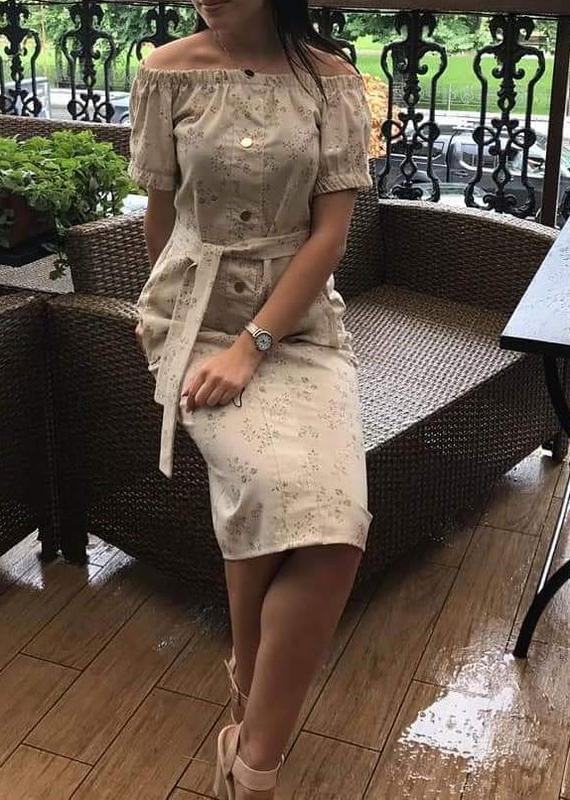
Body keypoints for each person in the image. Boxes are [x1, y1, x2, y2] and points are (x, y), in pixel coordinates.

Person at [127, 1, 374, 797]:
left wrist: (254, 344)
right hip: (194, 322)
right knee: (260, 485)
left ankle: (247, 735)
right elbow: (160, 221)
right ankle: (257, 774)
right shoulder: (165, 72)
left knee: (336, 529)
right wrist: (175, 331)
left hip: (299, 332)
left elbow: (329, 237)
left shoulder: (331, 81)